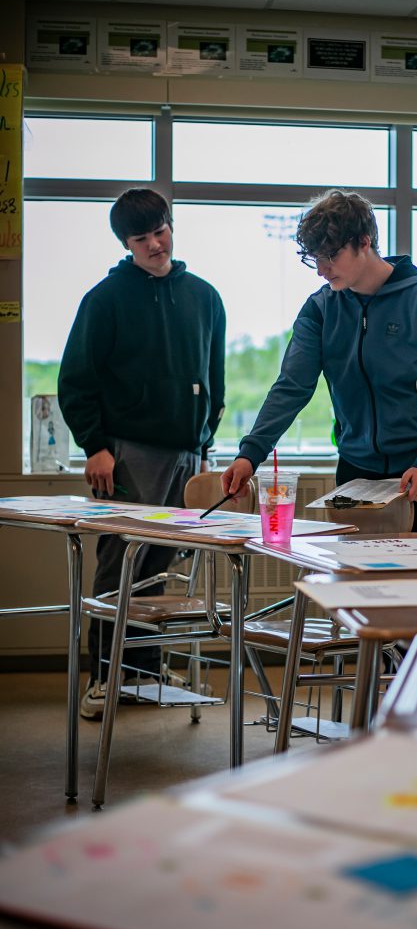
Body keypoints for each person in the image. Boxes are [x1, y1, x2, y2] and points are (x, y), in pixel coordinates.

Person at [58, 188, 226, 719]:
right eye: (142, 238)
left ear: (171, 226)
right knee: (120, 563)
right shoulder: (105, 299)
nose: (155, 244)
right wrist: (97, 447)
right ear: (126, 243)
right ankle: (106, 677)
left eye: (161, 231)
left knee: (162, 564)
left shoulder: (205, 296)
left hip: (186, 452)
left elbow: (213, 379)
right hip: (126, 453)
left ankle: (146, 671)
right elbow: (77, 379)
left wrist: (204, 447)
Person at [221, 188, 417, 535]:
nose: (321, 270)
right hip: (355, 471)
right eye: (315, 259)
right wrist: (249, 455)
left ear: (364, 241)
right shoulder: (321, 309)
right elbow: (292, 387)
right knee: (356, 582)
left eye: (330, 256)